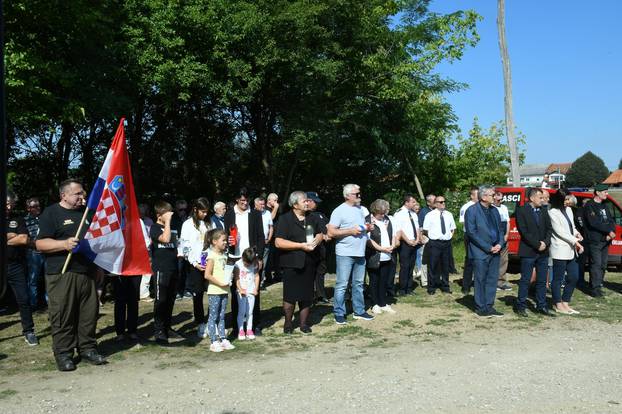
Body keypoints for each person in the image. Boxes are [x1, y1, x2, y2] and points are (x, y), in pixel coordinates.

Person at [36, 179, 106, 371]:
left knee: (89, 314)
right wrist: (63, 244)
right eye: (77, 194)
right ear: (64, 195)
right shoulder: (51, 213)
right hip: (62, 273)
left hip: (88, 273)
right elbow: (40, 244)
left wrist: (98, 266)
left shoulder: (87, 214)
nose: (82, 197)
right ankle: (64, 353)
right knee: (63, 315)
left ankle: (88, 349)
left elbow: (94, 242)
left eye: (83, 193)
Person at [275, 191, 323, 333]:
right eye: (304, 201)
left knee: (307, 295)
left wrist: (318, 239)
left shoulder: (313, 217)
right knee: (290, 296)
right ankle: (288, 323)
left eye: (307, 201)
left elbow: (321, 233)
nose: (307, 203)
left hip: (309, 262)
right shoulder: (285, 219)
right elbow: (278, 242)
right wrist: (300, 246)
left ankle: (303, 324)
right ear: (295, 205)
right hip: (291, 263)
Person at [327, 184, 373, 324]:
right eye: (356, 194)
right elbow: (331, 232)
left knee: (359, 284)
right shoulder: (339, 211)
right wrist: (350, 231)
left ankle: (359, 311)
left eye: (359, 193)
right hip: (345, 252)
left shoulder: (362, 209)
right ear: (347, 196)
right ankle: (339, 312)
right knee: (342, 284)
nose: (359, 196)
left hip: (360, 251)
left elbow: (365, 225)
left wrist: (368, 227)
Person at [224, 188, 265, 336]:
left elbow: (261, 236)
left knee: (254, 291)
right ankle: (237, 326)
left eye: (247, 200)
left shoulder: (255, 214)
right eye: (242, 200)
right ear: (236, 199)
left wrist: (259, 257)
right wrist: (229, 241)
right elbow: (226, 236)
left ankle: (255, 325)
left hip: (251, 257)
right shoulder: (229, 214)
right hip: (235, 257)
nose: (244, 202)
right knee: (237, 292)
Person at [464, 185, 504, 318]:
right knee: (480, 279)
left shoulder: (495, 211)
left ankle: (489, 305)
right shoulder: (472, 211)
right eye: (492, 195)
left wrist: (499, 243)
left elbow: (500, 230)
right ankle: (480, 307)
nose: (495, 197)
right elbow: (472, 232)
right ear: (483, 197)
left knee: (492, 279)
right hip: (480, 251)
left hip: (495, 250)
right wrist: (488, 247)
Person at [6, 191, 39, 346]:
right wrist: (12, 236)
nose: (8, 206)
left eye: (10, 204)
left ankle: (29, 331)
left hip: (15, 265)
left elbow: (24, 239)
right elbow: (17, 238)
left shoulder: (17, 219)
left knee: (24, 298)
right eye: (6, 203)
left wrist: (14, 237)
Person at [514, 188, 553, 317]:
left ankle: (541, 305)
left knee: (542, 280)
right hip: (529, 250)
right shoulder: (522, 211)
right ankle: (521, 305)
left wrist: (545, 243)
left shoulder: (543, 211)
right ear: (532, 198)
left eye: (543, 198)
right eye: (540, 198)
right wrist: (537, 244)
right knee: (525, 280)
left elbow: (549, 229)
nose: (543, 200)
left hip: (543, 251)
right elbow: (524, 231)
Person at [180, 197, 212, 339]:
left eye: (206, 212)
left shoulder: (209, 223)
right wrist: (194, 262)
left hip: (209, 263)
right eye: (202, 212)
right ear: (195, 209)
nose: (205, 214)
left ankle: (212, 323)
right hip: (195, 265)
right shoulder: (187, 224)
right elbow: (185, 246)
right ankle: (200, 323)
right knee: (197, 295)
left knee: (213, 294)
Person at [548, 189, 583, 314]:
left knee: (574, 276)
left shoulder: (568, 210)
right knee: (558, 278)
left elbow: (571, 227)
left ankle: (565, 302)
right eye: (565, 199)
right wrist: (576, 242)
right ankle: (558, 304)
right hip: (559, 249)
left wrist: (577, 234)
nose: (568, 202)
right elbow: (560, 231)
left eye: (568, 199)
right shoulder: (552, 212)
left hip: (571, 249)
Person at [150, 200, 180, 344]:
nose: (170, 216)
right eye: (166, 214)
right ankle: (159, 331)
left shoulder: (172, 227)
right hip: (161, 269)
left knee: (170, 300)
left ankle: (167, 327)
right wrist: (167, 222)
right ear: (159, 215)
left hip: (173, 268)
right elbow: (165, 239)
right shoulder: (154, 228)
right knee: (160, 300)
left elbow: (175, 243)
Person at [203, 229, 235, 352]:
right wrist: (220, 283)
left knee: (222, 316)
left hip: (224, 290)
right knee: (213, 316)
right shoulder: (211, 256)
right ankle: (213, 341)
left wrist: (228, 278)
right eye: (223, 240)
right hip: (215, 291)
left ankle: (223, 338)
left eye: (226, 240)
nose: (226, 242)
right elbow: (207, 275)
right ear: (214, 241)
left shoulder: (223, 255)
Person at [583, 184, 616, 298]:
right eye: (605, 192)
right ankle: (594, 288)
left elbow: (611, 220)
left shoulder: (605, 206)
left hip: (606, 240)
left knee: (603, 264)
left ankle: (599, 284)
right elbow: (594, 223)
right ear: (598, 192)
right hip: (595, 240)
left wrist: (611, 231)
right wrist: (608, 232)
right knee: (596, 264)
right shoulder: (590, 205)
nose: (607, 194)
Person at [365, 199, 398, 315]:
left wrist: (392, 245)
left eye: (385, 212)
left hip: (387, 255)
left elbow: (393, 234)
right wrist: (381, 248)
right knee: (374, 280)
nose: (383, 215)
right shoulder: (368, 220)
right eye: (381, 212)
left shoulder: (388, 219)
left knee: (384, 280)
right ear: (375, 210)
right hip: (374, 256)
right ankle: (375, 304)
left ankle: (383, 303)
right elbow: (368, 240)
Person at [423, 195, 456, 295]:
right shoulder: (430, 215)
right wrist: (434, 237)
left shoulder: (448, 214)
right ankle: (431, 287)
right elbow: (425, 230)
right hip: (434, 243)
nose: (443, 203)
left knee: (445, 265)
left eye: (444, 201)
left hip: (446, 243)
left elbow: (452, 228)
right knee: (432, 265)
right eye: (440, 202)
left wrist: (449, 236)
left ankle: (445, 286)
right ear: (436, 204)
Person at [393, 194, 421, 296]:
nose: (415, 204)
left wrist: (417, 238)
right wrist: (408, 241)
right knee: (405, 266)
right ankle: (402, 289)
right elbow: (399, 230)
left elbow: (417, 228)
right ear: (406, 202)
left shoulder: (413, 213)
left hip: (414, 242)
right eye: (413, 202)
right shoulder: (399, 213)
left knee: (411, 265)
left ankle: (409, 288)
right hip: (405, 243)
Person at [307, 191, 331, 303]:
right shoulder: (305, 215)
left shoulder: (320, 214)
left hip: (322, 248)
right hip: (311, 247)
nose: (316, 204)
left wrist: (329, 235)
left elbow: (328, 226)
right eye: (314, 202)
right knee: (310, 273)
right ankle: (309, 296)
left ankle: (321, 295)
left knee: (321, 272)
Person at [24, 197, 46, 309]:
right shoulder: (24, 221)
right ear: (28, 208)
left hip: (47, 252)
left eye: (38, 206)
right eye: (34, 206)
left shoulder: (44, 218)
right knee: (33, 279)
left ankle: (50, 303)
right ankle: (33, 304)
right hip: (33, 254)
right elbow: (24, 238)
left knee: (49, 277)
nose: (37, 208)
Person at [234, 247, 260, 340]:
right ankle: (241, 330)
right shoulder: (238, 265)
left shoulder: (255, 264)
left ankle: (249, 330)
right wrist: (240, 289)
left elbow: (256, 277)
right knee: (241, 311)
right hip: (242, 292)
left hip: (251, 291)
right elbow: (236, 278)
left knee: (250, 312)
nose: (248, 265)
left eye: (250, 264)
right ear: (243, 258)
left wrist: (256, 289)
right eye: (247, 263)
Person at [459, 187, 479, 294]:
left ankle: (478, 283)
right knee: (470, 260)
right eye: (477, 194)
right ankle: (466, 286)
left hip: (480, 236)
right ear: (472, 196)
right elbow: (464, 222)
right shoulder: (466, 207)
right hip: (470, 235)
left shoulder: (482, 206)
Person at [172, 199, 191, 300]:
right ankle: (177, 291)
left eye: (184, 209)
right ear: (176, 209)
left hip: (187, 247)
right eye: (180, 210)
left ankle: (187, 290)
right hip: (177, 247)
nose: (183, 211)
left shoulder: (189, 219)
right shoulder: (172, 219)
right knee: (178, 270)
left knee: (187, 269)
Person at [492, 190, 512, 291]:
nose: (500, 200)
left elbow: (507, 222)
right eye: (498, 198)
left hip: (503, 236)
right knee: (494, 260)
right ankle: (493, 282)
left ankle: (501, 282)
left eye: (501, 198)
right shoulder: (491, 208)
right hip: (494, 237)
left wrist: (507, 235)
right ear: (494, 197)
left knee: (504, 260)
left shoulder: (504, 208)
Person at [254, 197, 273, 288]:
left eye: (263, 204)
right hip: (255, 243)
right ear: (255, 205)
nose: (263, 206)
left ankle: (260, 283)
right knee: (253, 262)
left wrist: (269, 238)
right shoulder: (251, 213)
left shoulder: (268, 213)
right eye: (260, 204)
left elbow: (271, 227)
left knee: (263, 264)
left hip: (265, 242)